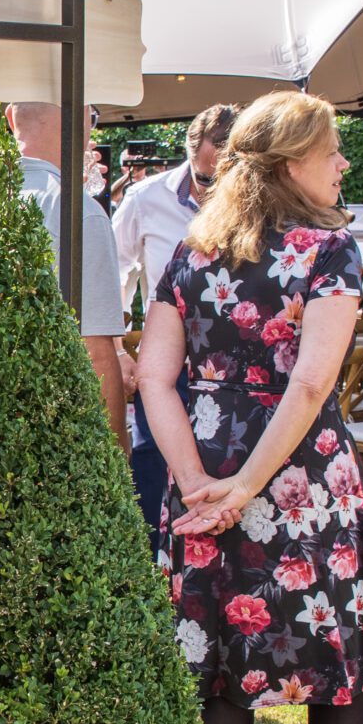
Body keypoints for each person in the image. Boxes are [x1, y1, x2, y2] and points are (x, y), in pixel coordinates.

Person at [134, 90, 363, 724]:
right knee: (334, 668)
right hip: (301, 480)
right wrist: (246, 486)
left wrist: (199, 485)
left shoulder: (192, 251)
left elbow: (153, 376)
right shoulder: (331, 250)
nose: (344, 163)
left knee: (219, 669)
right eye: (332, 151)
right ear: (289, 165)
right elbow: (312, 382)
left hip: (206, 470)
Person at [0, 100, 123, 425]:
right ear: (81, 121)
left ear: (9, 118)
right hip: (53, 426)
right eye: (91, 116)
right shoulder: (80, 210)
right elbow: (96, 351)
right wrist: (117, 449)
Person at [113, 105, 239, 530]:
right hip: (166, 357)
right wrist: (116, 348)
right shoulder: (146, 199)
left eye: (223, 178)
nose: (211, 193)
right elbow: (112, 273)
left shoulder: (258, 208)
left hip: (231, 362)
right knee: (151, 456)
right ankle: (154, 563)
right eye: (205, 177)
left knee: (225, 456)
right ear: (189, 155)